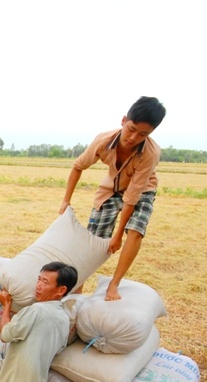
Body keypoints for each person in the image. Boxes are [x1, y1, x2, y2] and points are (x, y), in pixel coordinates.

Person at [60, 96, 166, 301]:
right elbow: (78, 166)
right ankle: (77, 287)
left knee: (135, 231)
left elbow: (131, 198)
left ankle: (114, 284)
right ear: (124, 120)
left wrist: (118, 235)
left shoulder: (150, 154)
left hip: (142, 190)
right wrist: (66, 201)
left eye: (143, 134)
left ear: (151, 133)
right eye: (131, 129)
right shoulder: (103, 141)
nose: (134, 138)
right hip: (112, 188)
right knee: (93, 239)